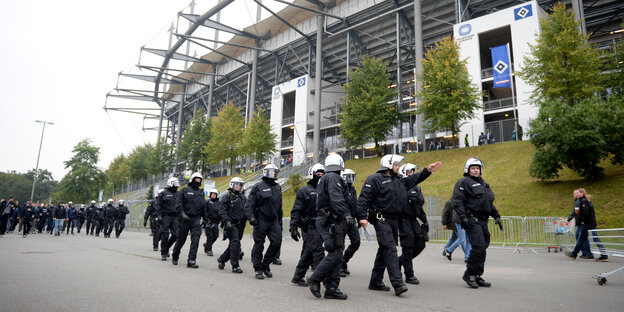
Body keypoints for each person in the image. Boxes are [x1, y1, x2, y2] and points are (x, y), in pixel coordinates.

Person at [307, 154, 355, 300]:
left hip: (330, 220)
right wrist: (346, 214)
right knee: (336, 253)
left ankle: (332, 288)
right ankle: (315, 278)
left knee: (338, 252)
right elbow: (336, 198)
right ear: (340, 164)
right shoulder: (334, 178)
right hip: (330, 220)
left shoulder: (326, 178)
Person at [452, 157, 502, 288]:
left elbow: (488, 203)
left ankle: (478, 274)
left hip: (483, 220)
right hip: (472, 219)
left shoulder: (484, 184)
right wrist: (463, 217)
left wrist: (496, 215)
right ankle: (469, 273)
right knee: (478, 246)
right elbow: (457, 201)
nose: (475, 170)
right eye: (473, 168)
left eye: (478, 168)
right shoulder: (463, 182)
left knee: (483, 246)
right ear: (467, 169)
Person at [398, 162, 439, 285]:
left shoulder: (416, 187)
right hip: (403, 219)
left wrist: (424, 220)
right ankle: (409, 275)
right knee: (408, 246)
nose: (412, 174)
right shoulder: (401, 185)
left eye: (413, 171)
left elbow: (419, 207)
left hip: (414, 219)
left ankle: (399, 262)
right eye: (410, 172)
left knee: (420, 244)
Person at [245, 164, 282, 280]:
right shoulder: (257, 187)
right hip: (260, 220)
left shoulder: (278, 187)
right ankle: (258, 269)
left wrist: (280, 220)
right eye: (271, 172)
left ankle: (265, 264)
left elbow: (279, 206)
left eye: (275, 172)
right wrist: (251, 218)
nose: (273, 174)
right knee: (259, 244)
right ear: (266, 173)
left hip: (273, 220)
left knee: (277, 242)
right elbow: (249, 204)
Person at [290, 163, 325, 286]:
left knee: (308, 251)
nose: (320, 176)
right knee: (318, 252)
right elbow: (296, 210)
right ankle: (322, 281)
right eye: (318, 174)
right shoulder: (304, 190)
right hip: (310, 226)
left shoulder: (325, 190)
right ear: (312, 175)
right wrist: (293, 227)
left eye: (322, 174)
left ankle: (298, 276)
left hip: (322, 226)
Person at [172, 172, 206, 268]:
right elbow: (179, 204)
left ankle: (191, 260)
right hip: (185, 218)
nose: (198, 181)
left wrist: (205, 219)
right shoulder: (184, 190)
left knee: (196, 239)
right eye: (197, 179)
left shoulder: (200, 193)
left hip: (196, 219)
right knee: (181, 239)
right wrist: (182, 214)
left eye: (200, 180)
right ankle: (175, 254)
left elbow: (203, 206)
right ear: (192, 179)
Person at [564, 188, 609, 262]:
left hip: (587, 224)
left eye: (578, 193)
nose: (576, 194)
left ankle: (574, 254)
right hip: (590, 223)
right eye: (575, 193)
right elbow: (577, 212)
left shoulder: (583, 201)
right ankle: (604, 255)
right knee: (593, 239)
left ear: (583, 193)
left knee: (581, 239)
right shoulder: (584, 201)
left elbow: (585, 213)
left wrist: (582, 221)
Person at [218, 177, 247, 273]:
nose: (238, 187)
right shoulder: (226, 197)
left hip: (240, 225)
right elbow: (222, 211)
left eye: (240, 185)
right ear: (232, 185)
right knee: (235, 243)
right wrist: (227, 222)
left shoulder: (243, 197)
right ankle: (235, 265)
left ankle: (222, 259)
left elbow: (246, 210)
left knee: (233, 245)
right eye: (236, 184)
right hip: (231, 224)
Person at [340, 168, 360, 277]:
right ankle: (338, 267)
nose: (351, 180)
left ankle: (344, 261)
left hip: (352, 220)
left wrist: (359, 218)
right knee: (340, 244)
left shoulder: (353, 190)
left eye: (352, 177)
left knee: (356, 242)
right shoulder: (340, 190)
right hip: (342, 219)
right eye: (349, 177)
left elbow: (355, 206)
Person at [156, 177, 180, 261]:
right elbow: (158, 205)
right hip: (166, 216)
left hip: (175, 217)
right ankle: (163, 253)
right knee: (165, 235)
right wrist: (159, 215)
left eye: (177, 183)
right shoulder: (163, 193)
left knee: (176, 235)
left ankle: (166, 248)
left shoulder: (178, 193)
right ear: (170, 183)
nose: (177, 185)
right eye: (175, 183)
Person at [203, 189, 221, 257]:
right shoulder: (207, 201)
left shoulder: (219, 202)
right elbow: (204, 211)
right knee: (209, 236)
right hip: (208, 221)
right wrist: (205, 220)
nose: (213, 195)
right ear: (210, 194)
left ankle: (207, 245)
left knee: (215, 236)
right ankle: (209, 250)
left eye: (215, 194)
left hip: (216, 221)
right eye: (212, 194)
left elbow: (221, 211)